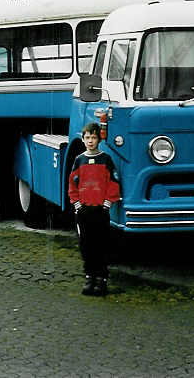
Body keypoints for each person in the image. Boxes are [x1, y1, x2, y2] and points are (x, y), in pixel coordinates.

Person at [68, 121, 121, 296]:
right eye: (87, 137)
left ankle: (101, 279)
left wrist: (108, 203)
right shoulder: (79, 160)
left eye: (94, 137)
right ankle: (89, 277)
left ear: (99, 140)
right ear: (83, 139)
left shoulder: (106, 159)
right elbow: (72, 184)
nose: (90, 141)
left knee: (102, 245)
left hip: (100, 211)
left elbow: (113, 182)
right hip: (84, 211)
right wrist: (77, 204)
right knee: (86, 245)